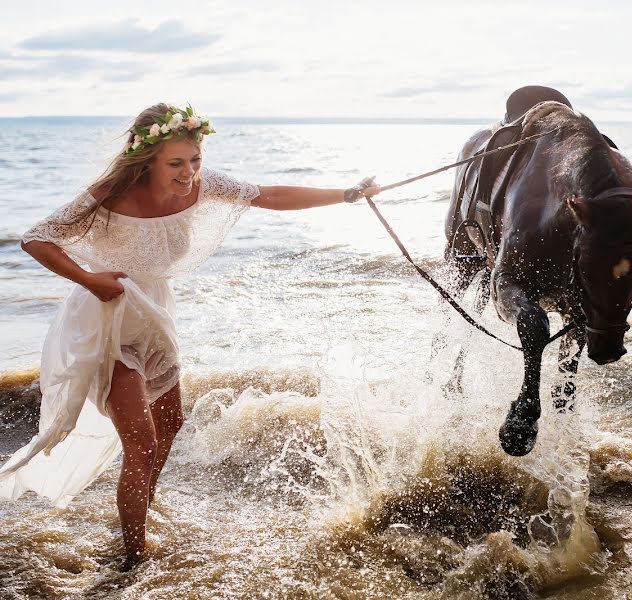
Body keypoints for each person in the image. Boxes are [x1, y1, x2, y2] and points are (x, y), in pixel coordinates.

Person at [0, 103, 380, 569]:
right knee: (141, 442)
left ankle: (138, 500)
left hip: (155, 315)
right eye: (176, 163)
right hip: (106, 317)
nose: (189, 172)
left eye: (194, 159)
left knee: (170, 423)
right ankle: (133, 557)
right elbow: (37, 237)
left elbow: (272, 195)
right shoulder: (111, 192)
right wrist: (90, 279)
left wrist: (345, 194)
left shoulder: (204, 186)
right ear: (147, 159)